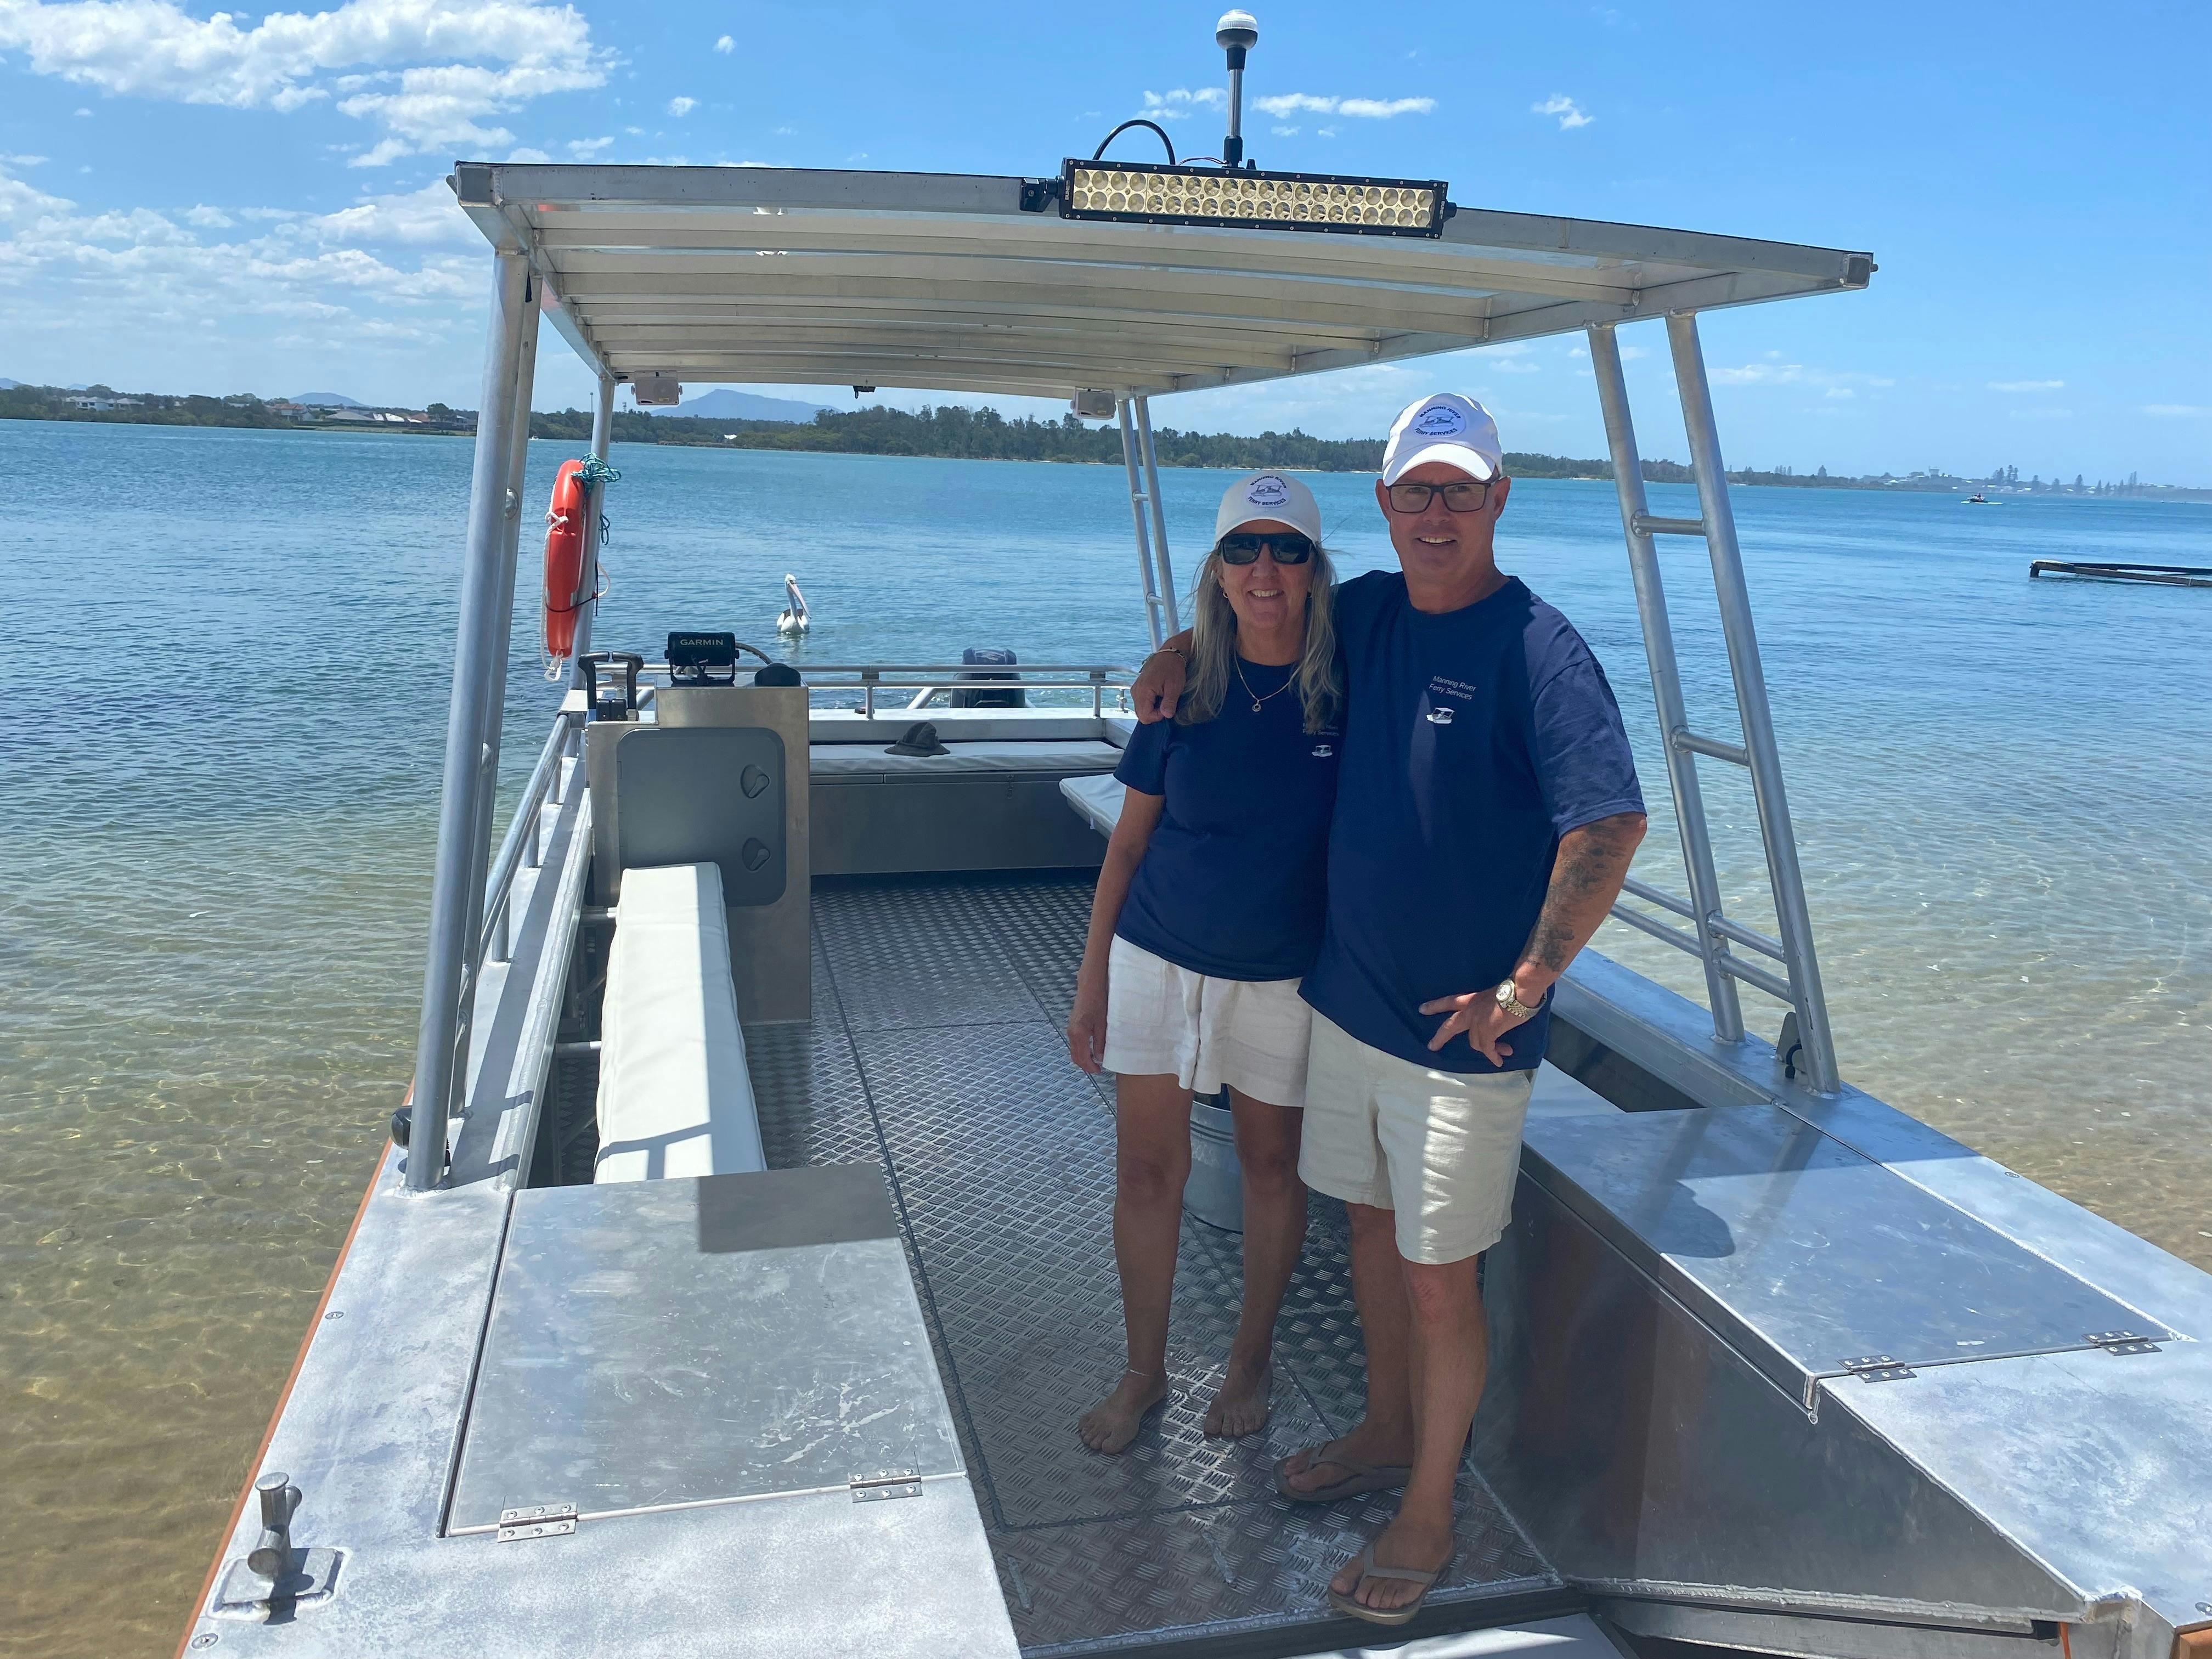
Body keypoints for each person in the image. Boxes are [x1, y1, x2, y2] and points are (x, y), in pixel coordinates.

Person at [1128, 394, 1647, 1626]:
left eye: (1460, 490)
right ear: (1384, 504)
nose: (1437, 513)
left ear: (1500, 499)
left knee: (1436, 1280)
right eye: (1415, 490)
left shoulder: (1540, 647)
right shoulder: (1362, 610)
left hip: (1461, 1043)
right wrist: (1168, 651)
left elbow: (1610, 821)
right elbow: (1255, 608)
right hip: (1347, 1005)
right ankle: (1383, 1427)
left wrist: (1525, 988)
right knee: (1366, 1234)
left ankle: (1429, 1506)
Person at [1067, 471, 1343, 1454]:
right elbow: (1128, 847)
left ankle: (1250, 1356)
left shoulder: (1349, 689)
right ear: (1217, 569)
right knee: (1148, 1171)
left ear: (1316, 568)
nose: (1264, 568)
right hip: (1156, 958)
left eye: (1287, 548)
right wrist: (1091, 978)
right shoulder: (1177, 695)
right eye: (1243, 548)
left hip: (1282, 974)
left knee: (1272, 1168)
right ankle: (1144, 1371)